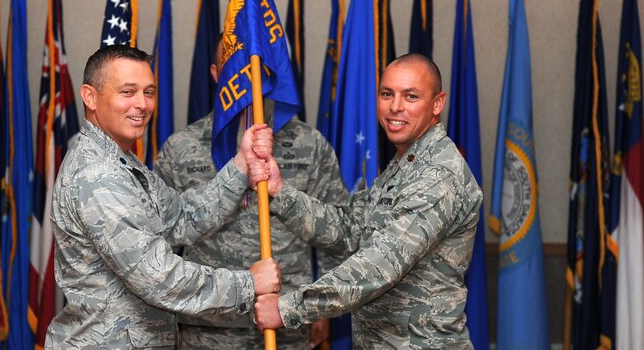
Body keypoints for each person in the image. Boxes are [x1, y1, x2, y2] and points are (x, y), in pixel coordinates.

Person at [46, 45, 281, 349]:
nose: (141, 104)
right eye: (127, 92)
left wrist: (240, 165)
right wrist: (248, 285)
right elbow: (159, 279)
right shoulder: (97, 175)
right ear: (90, 96)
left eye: (149, 92)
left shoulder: (121, 160)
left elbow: (182, 218)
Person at [251, 53, 483, 348]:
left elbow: (379, 266)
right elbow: (349, 227)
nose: (395, 106)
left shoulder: (438, 175)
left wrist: (287, 309)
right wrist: (280, 193)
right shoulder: (405, 164)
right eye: (387, 94)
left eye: (411, 96)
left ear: (438, 103)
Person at [154, 39, 350, 350]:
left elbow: (335, 232)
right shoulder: (181, 148)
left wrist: (321, 306)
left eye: (253, 68)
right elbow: (161, 242)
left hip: (288, 320)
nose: (246, 75)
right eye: (235, 67)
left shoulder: (309, 143)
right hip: (207, 327)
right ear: (217, 73)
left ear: (268, 72)